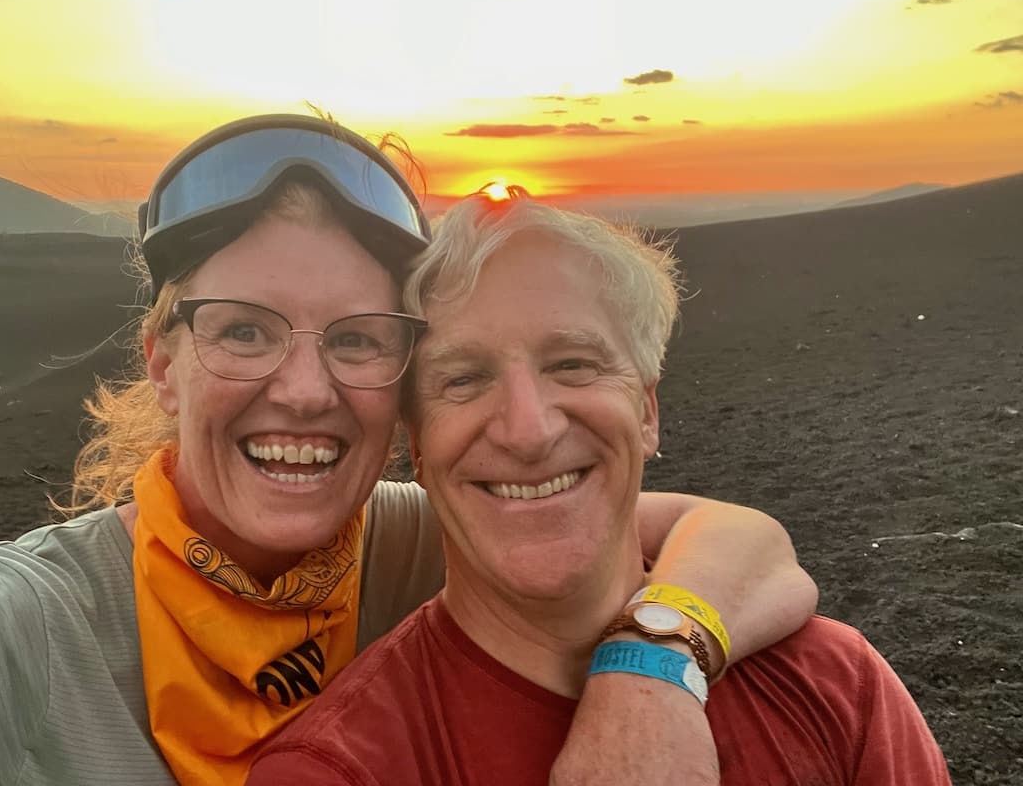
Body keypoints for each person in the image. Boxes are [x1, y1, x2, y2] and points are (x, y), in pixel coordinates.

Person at [0, 116, 816, 786]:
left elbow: (732, 536)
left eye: (355, 337)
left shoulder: (409, 541)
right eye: (245, 330)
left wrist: (651, 666)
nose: (304, 388)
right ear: (164, 363)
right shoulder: (1, 636)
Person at [247, 191, 952, 785]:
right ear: (417, 449)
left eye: (574, 364)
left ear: (646, 412)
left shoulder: (834, 684)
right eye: (464, 378)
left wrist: (648, 664)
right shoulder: (337, 769)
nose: (528, 430)